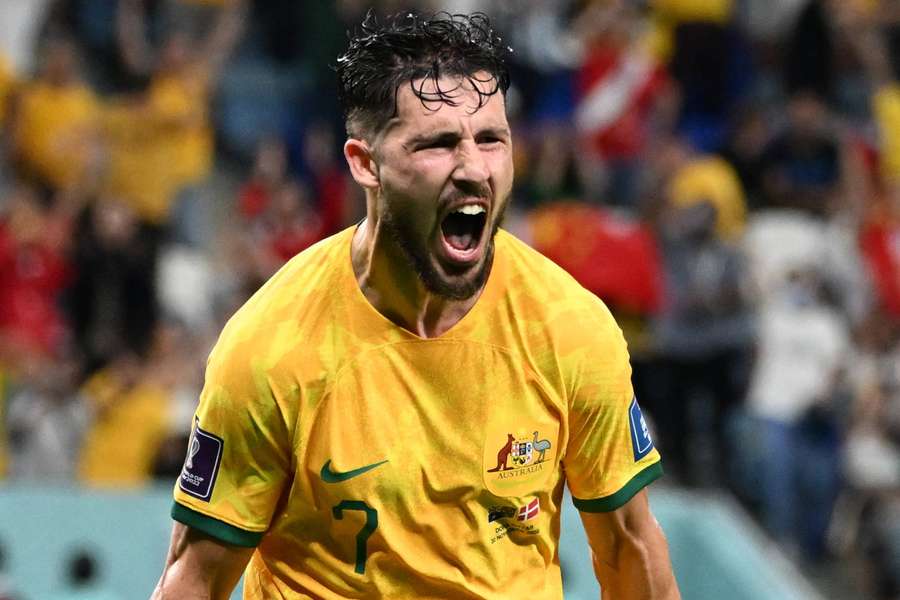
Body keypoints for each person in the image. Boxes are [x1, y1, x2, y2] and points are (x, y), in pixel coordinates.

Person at [152, 12, 680, 600]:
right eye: (438, 143)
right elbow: (194, 577)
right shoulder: (270, 347)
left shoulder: (569, 327)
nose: (474, 168)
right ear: (364, 163)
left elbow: (628, 544)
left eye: (491, 139)